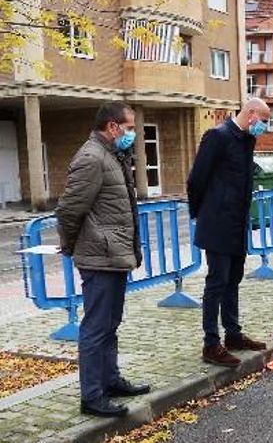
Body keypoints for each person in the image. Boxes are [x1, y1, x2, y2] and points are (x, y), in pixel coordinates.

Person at [56, 102, 150, 417]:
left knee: (111, 323)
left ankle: (110, 381)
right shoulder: (91, 158)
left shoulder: (111, 155)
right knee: (96, 328)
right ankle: (92, 397)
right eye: (129, 127)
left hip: (113, 255)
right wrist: (70, 245)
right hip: (99, 256)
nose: (132, 133)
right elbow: (69, 209)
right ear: (112, 127)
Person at [187, 98, 272, 367]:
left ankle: (233, 334)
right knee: (217, 283)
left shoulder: (247, 140)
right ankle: (211, 344)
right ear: (250, 115)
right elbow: (196, 180)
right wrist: (203, 214)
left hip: (237, 224)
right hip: (217, 223)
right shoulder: (218, 137)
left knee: (233, 279)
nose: (265, 127)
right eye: (264, 120)